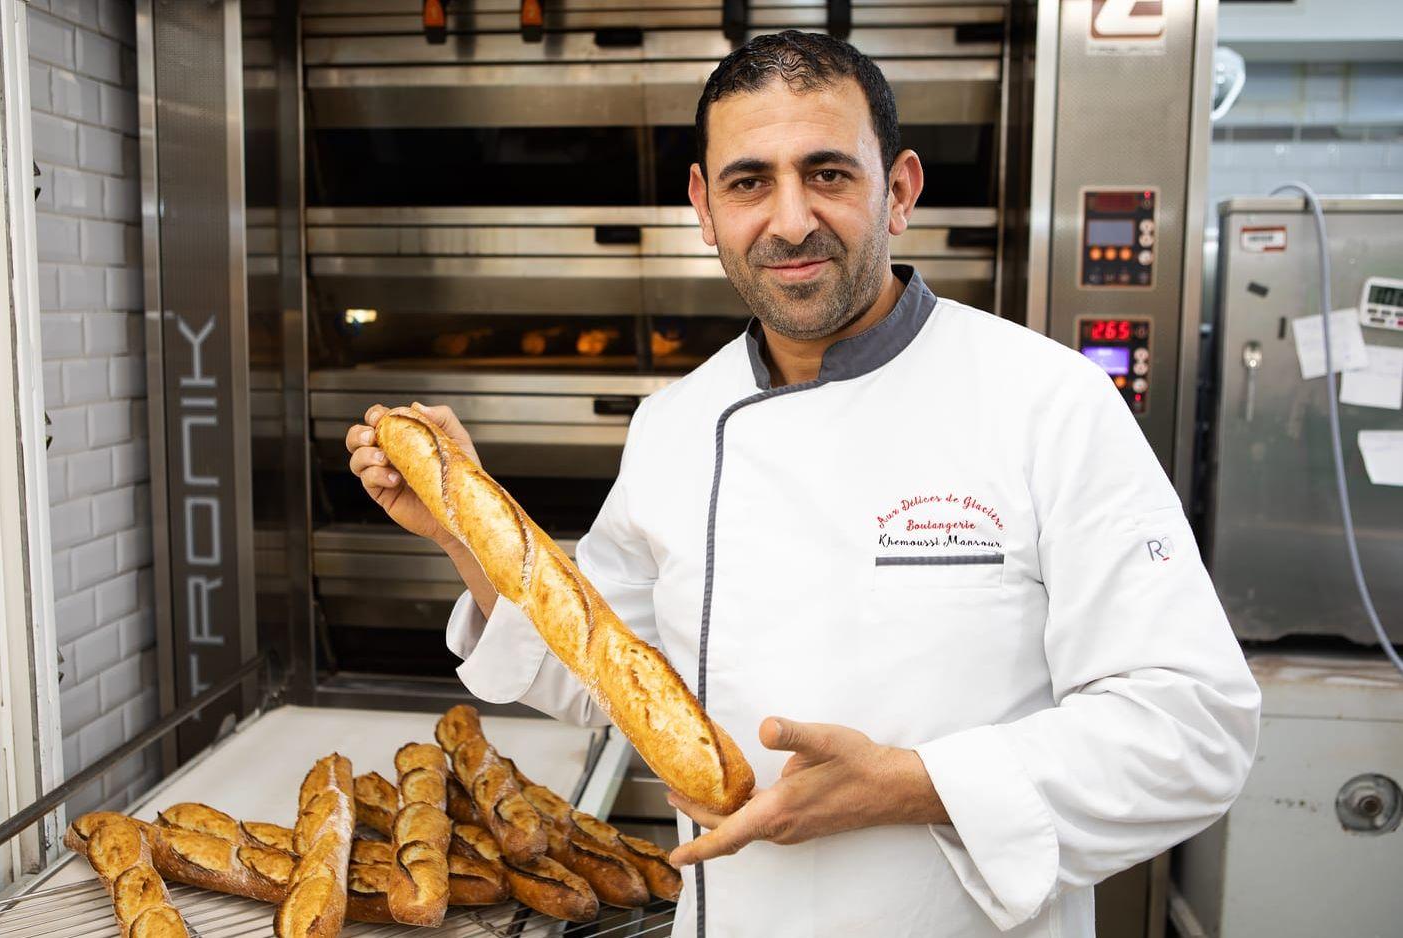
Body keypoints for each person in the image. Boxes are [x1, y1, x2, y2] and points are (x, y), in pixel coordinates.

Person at [344, 30, 1259, 938]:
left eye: (828, 174)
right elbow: (597, 673)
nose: (789, 221)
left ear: (898, 190)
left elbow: (1192, 728)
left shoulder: (1048, 401)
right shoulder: (676, 425)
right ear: (704, 207)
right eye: (750, 182)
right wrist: (459, 526)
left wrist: (914, 785)